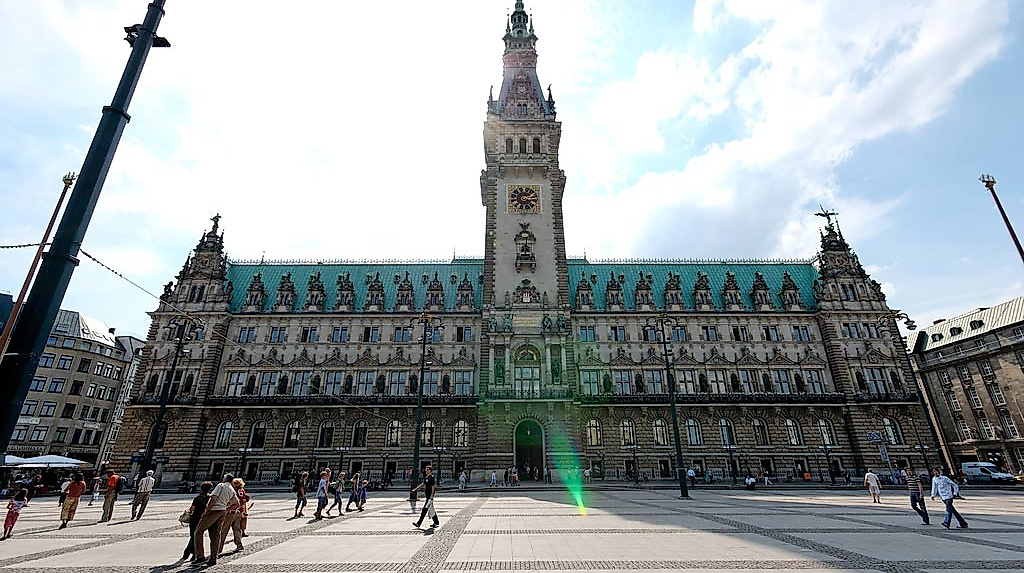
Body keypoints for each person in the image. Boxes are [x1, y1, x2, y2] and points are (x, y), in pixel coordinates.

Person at [192, 474, 239, 566]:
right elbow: (236, 503)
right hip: (222, 512)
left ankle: (200, 556)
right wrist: (226, 509)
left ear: (225, 479)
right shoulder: (231, 489)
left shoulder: (221, 485)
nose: (222, 478)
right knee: (216, 534)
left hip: (213, 510)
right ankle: (213, 558)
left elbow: (213, 498)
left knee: (198, 532)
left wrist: (206, 510)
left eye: (223, 477)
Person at [182, 481, 213, 562]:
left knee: (193, 535)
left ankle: (191, 553)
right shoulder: (210, 498)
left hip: (195, 518)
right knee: (196, 536)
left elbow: (192, 509)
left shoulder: (197, 498)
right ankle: (189, 553)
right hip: (204, 518)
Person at [218, 478, 247, 555]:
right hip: (239, 512)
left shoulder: (233, 490)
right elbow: (244, 501)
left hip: (231, 512)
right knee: (237, 529)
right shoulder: (242, 491)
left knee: (224, 530)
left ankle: (219, 548)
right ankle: (239, 545)